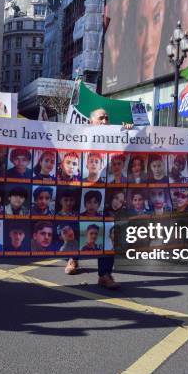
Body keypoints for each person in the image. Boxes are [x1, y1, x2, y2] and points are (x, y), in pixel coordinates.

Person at [65, 108, 131, 290]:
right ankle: (73, 258)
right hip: (84, 190)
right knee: (79, 226)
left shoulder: (117, 134)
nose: (105, 120)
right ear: (91, 121)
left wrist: (128, 130)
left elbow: (130, 148)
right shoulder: (81, 135)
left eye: (107, 118)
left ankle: (105, 274)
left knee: (108, 230)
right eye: (101, 118)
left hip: (107, 193)